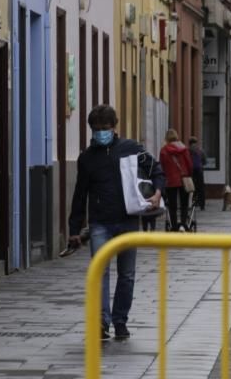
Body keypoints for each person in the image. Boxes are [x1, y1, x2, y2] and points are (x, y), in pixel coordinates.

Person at [68, 104, 165, 341]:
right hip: (100, 222)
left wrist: (158, 192)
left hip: (128, 220)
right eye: (97, 129)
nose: (101, 132)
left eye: (105, 128)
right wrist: (74, 230)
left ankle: (120, 320)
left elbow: (157, 170)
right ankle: (102, 322)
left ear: (114, 127)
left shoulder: (132, 149)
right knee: (100, 272)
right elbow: (80, 195)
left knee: (127, 274)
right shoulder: (87, 159)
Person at [160, 129, 193, 231]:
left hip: (170, 180)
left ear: (166, 138)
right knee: (184, 204)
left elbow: (162, 166)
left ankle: (174, 226)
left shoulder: (164, 150)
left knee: (172, 205)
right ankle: (183, 224)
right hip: (183, 179)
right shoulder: (184, 149)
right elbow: (189, 164)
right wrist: (189, 175)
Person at [188, 136, 206, 210]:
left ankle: (192, 203)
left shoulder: (187, 150)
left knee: (192, 188)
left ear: (189, 143)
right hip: (199, 171)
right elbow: (205, 161)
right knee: (201, 188)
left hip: (191, 172)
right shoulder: (200, 150)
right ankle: (202, 205)